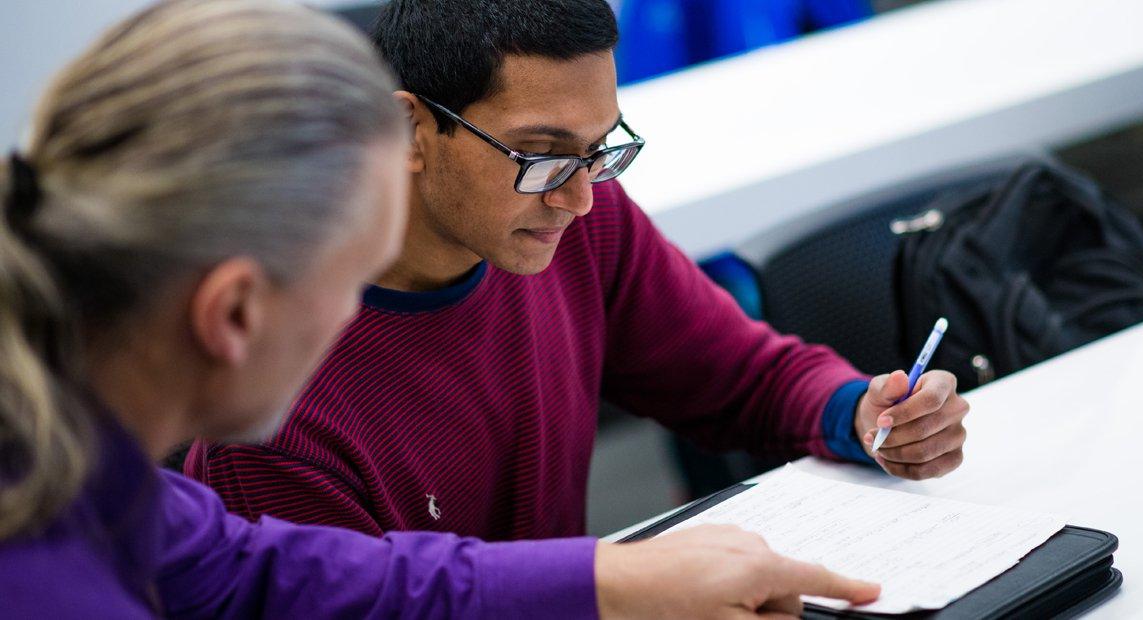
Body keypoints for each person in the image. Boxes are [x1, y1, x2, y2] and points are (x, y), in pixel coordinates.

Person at [0, 1, 879, 616]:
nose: (361, 310)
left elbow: (274, 575)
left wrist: (609, 584)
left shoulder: (92, 478)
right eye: (347, 281)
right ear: (233, 313)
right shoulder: (56, 580)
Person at [188, 0, 971, 541]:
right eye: (538, 154)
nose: (579, 198)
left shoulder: (574, 226)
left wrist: (859, 413)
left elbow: (741, 377)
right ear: (410, 129)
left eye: (601, 149)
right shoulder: (274, 408)